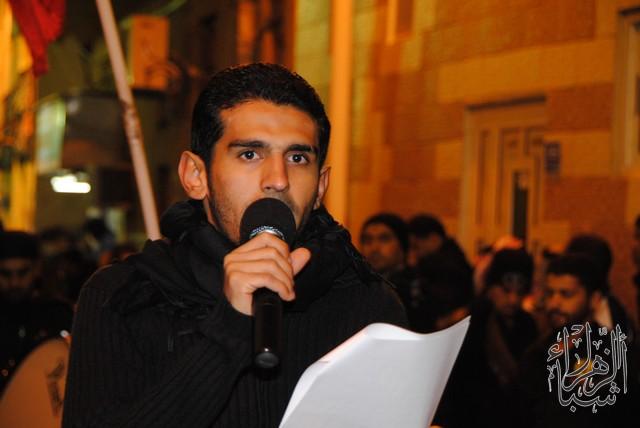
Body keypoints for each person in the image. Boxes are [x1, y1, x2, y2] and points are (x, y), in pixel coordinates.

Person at [62, 63, 407, 427]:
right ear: (196, 176)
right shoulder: (120, 298)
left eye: (297, 158)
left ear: (320, 186)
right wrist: (229, 327)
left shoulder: (367, 303)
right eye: (249, 154)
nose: (278, 180)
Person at [518, 253, 638, 428]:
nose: (554, 303)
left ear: (594, 299)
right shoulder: (537, 354)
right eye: (550, 293)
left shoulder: (613, 353)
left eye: (566, 294)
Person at [433, 248, 537, 428]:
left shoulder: (527, 325)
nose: (513, 299)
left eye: (520, 292)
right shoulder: (471, 321)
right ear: (491, 287)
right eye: (506, 290)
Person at [0, 231, 73, 393]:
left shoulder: (57, 314)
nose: (14, 283)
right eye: (5, 274)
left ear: (36, 269)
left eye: (22, 273)